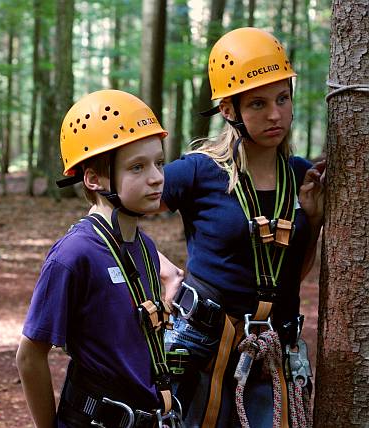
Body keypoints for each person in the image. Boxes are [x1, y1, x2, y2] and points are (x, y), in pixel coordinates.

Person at [161, 27, 325, 427]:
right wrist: (160, 268)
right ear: (229, 110)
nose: (275, 114)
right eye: (257, 104)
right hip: (203, 348)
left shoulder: (300, 177)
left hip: (275, 352)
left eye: (282, 98)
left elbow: (293, 274)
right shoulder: (199, 172)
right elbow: (115, 214)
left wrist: (314, 220)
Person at [17, 89, 184, 428]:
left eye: (159, 162)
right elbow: (30, 355)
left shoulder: (145, 247)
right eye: (137, 167)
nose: (156, 177)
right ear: (93, 178)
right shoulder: (74, 255)